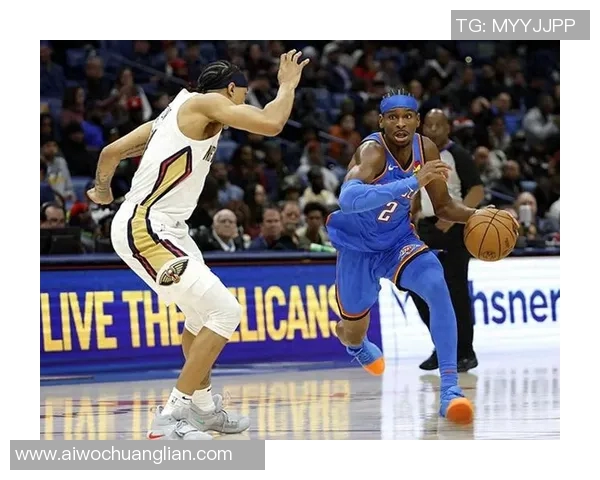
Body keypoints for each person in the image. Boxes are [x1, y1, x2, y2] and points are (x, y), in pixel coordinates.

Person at [86, 51, 309, 440]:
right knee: (226, 311)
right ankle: (170, 417)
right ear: (231, 89)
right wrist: (287, 85)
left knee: (200, 319)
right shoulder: (206, 102)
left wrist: (102, 190)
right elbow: (272, 123)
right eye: (241, 98)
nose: (239, 108)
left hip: (169, 229)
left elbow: (111, 152)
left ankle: (204, 410)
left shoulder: (169, 117)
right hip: (147, 227)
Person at [326, 89, 515, 424]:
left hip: (398, 241)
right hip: (358, 249)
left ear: (416, 121)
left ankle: (450, 389)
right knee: (352, 329)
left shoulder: (425, 149)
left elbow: (443, 206)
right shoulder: (372, 151)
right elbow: (348, 199)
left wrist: (478, 215)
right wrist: (411, 182)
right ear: (381, 122)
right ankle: (354, 344)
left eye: (407, 117)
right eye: (393, 117)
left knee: (438, 286)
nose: (400, 123)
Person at [411, 109, 484, 373]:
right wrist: (413, 215)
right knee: (418, 288)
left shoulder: (458, 154)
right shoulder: (417, 156)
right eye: (428, 125)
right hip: (425, 228)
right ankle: (442, 347)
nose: (432, 130)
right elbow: (416, 190)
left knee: (455, 292)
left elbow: (477, 190)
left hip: (453, 229)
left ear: (447, 128)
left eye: (438, 125)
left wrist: (454, 218)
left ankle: (465, 351)